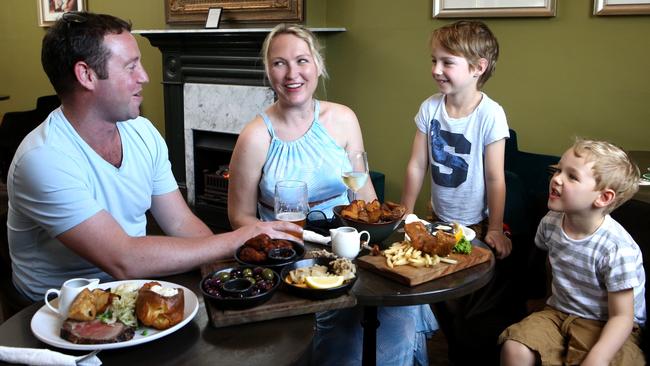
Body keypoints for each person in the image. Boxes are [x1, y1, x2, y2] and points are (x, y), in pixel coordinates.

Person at [6, 11, 298, 302]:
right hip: (53, 310)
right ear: (87, 75)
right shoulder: (43, 158)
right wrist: (236, 238)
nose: (144, 77)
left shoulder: (142, 132)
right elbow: (124, 259)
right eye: (131, 66)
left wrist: (226, 279)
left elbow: (181, 224)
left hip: (133, 290)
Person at [227, 23, 437, 365]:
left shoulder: (343, 119)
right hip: (292, 251)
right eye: (279, 63)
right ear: (268, 71)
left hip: (348, 243)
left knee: (397, 301)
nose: (292, 73)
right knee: (342, 319)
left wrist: (384, 235)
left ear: (318, 65)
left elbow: (364, 198)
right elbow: (239, 216)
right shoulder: (254, 137)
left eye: (301, 60)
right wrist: (281, 239)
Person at [400, 20, 518, 363]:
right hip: (437, 219)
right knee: (436, 292)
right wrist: (406, 214)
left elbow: (496, 177)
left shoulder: (490, 115)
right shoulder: (429, 107)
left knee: (464, 295)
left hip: (475, 224)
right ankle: (446, 346)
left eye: (447, 62)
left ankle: (466, 354)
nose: (436, 70)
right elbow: (416, 165)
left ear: (477, 68)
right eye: (433, 60)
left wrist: (495, 228)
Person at [499, 139, 645, 365]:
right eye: (557, 170)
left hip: (605, 323)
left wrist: (597, 357)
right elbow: (552, 262)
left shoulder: (617, 249)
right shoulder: (550, 222)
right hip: (558, 312)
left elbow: (622, 317)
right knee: (514, 347)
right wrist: (546, 298)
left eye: (572, 176)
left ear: (603, 197)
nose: (556, 179)